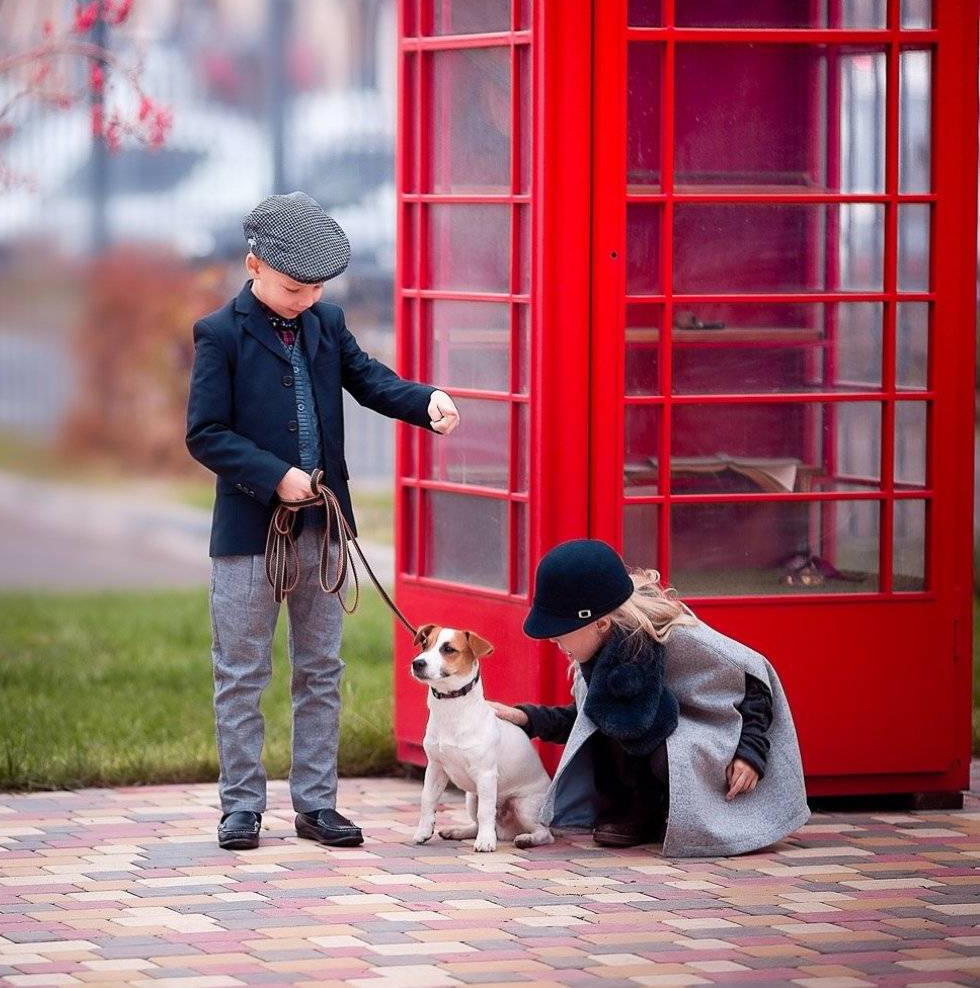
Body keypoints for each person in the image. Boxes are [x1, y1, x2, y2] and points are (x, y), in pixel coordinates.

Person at [186, 190, 460, 850]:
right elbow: (205, 433)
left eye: (315, 290)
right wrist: (273, 475)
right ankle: (242, 808)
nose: (304, 300)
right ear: (253, 266)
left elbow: (369, 381)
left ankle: (316, 804)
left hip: (325, 534)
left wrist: (427, 402)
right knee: (243, 675)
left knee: (321, 670)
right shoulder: (219, 334)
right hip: (251, 536)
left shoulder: (324, 323)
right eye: (292, 289)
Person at [489, 539, 810, 856]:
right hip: (656, 763)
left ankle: (666, 809)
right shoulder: (597, 657)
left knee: (667, 746)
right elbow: (585, 720)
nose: (556, 645)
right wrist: (527, 719)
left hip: (714, 749)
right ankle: (636, 812)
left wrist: (750, 753)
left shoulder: (678, 639)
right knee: (618, 723)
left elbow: (755, 680)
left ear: (600, 623)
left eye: (560, 636)